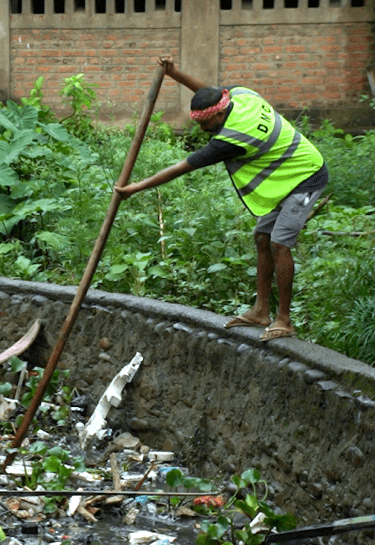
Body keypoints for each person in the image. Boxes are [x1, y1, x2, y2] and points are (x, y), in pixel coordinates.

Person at [114, 58, 328, 341]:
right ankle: (261, 311)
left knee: (279, 243)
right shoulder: (240, 95)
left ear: (221, 113)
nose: (203, 129)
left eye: (206, 123)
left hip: (306, 175)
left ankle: (284, 320)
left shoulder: (231, 139)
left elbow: (183, 167)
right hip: (283, 176)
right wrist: (175, 73)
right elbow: (208, 90)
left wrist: (134, 188)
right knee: (262, 238)